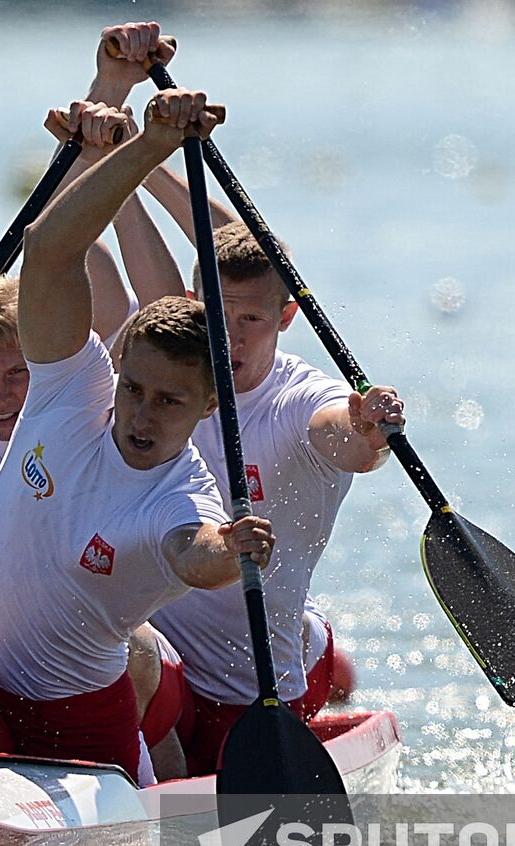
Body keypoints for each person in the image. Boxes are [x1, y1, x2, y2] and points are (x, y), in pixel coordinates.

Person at [0, 91, 275, 787]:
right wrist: (144, 146)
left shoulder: (182, 492)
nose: (141, 416)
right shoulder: (70, 390)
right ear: (116, 373)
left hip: (82, 728)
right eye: (134, 390)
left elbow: (195, 554)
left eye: (169, 402)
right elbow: (49, 249)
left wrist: (231, 550)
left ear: (209, 405)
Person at [90, 26, 407, 774]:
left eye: (253, 321)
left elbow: (348, 443)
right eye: (217, 315)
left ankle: (319, 657)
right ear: (198, 301)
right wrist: (130, 140)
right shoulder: (173, 362)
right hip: (158, 672)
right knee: (127, 650)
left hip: (254, 694)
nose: (229, 339)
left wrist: (369, 429)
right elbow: (92, 227)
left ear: (286, 318)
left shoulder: (303, 400)